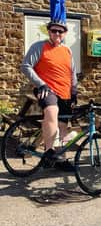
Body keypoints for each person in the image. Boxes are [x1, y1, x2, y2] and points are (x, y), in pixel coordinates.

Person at [21, 14, 77, 167]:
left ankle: (61, 160)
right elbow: (25, 66)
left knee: (63, 128)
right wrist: (41, 84)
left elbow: (72, 72)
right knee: (51, 111)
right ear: (49, 31)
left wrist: (74, 92)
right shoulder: (39, 46)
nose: (57, 34)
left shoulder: (67, 50)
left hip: (65, 92)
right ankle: (49, 150)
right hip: (47, 90)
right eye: (54, 31)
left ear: (65, 33)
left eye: (60, 31)